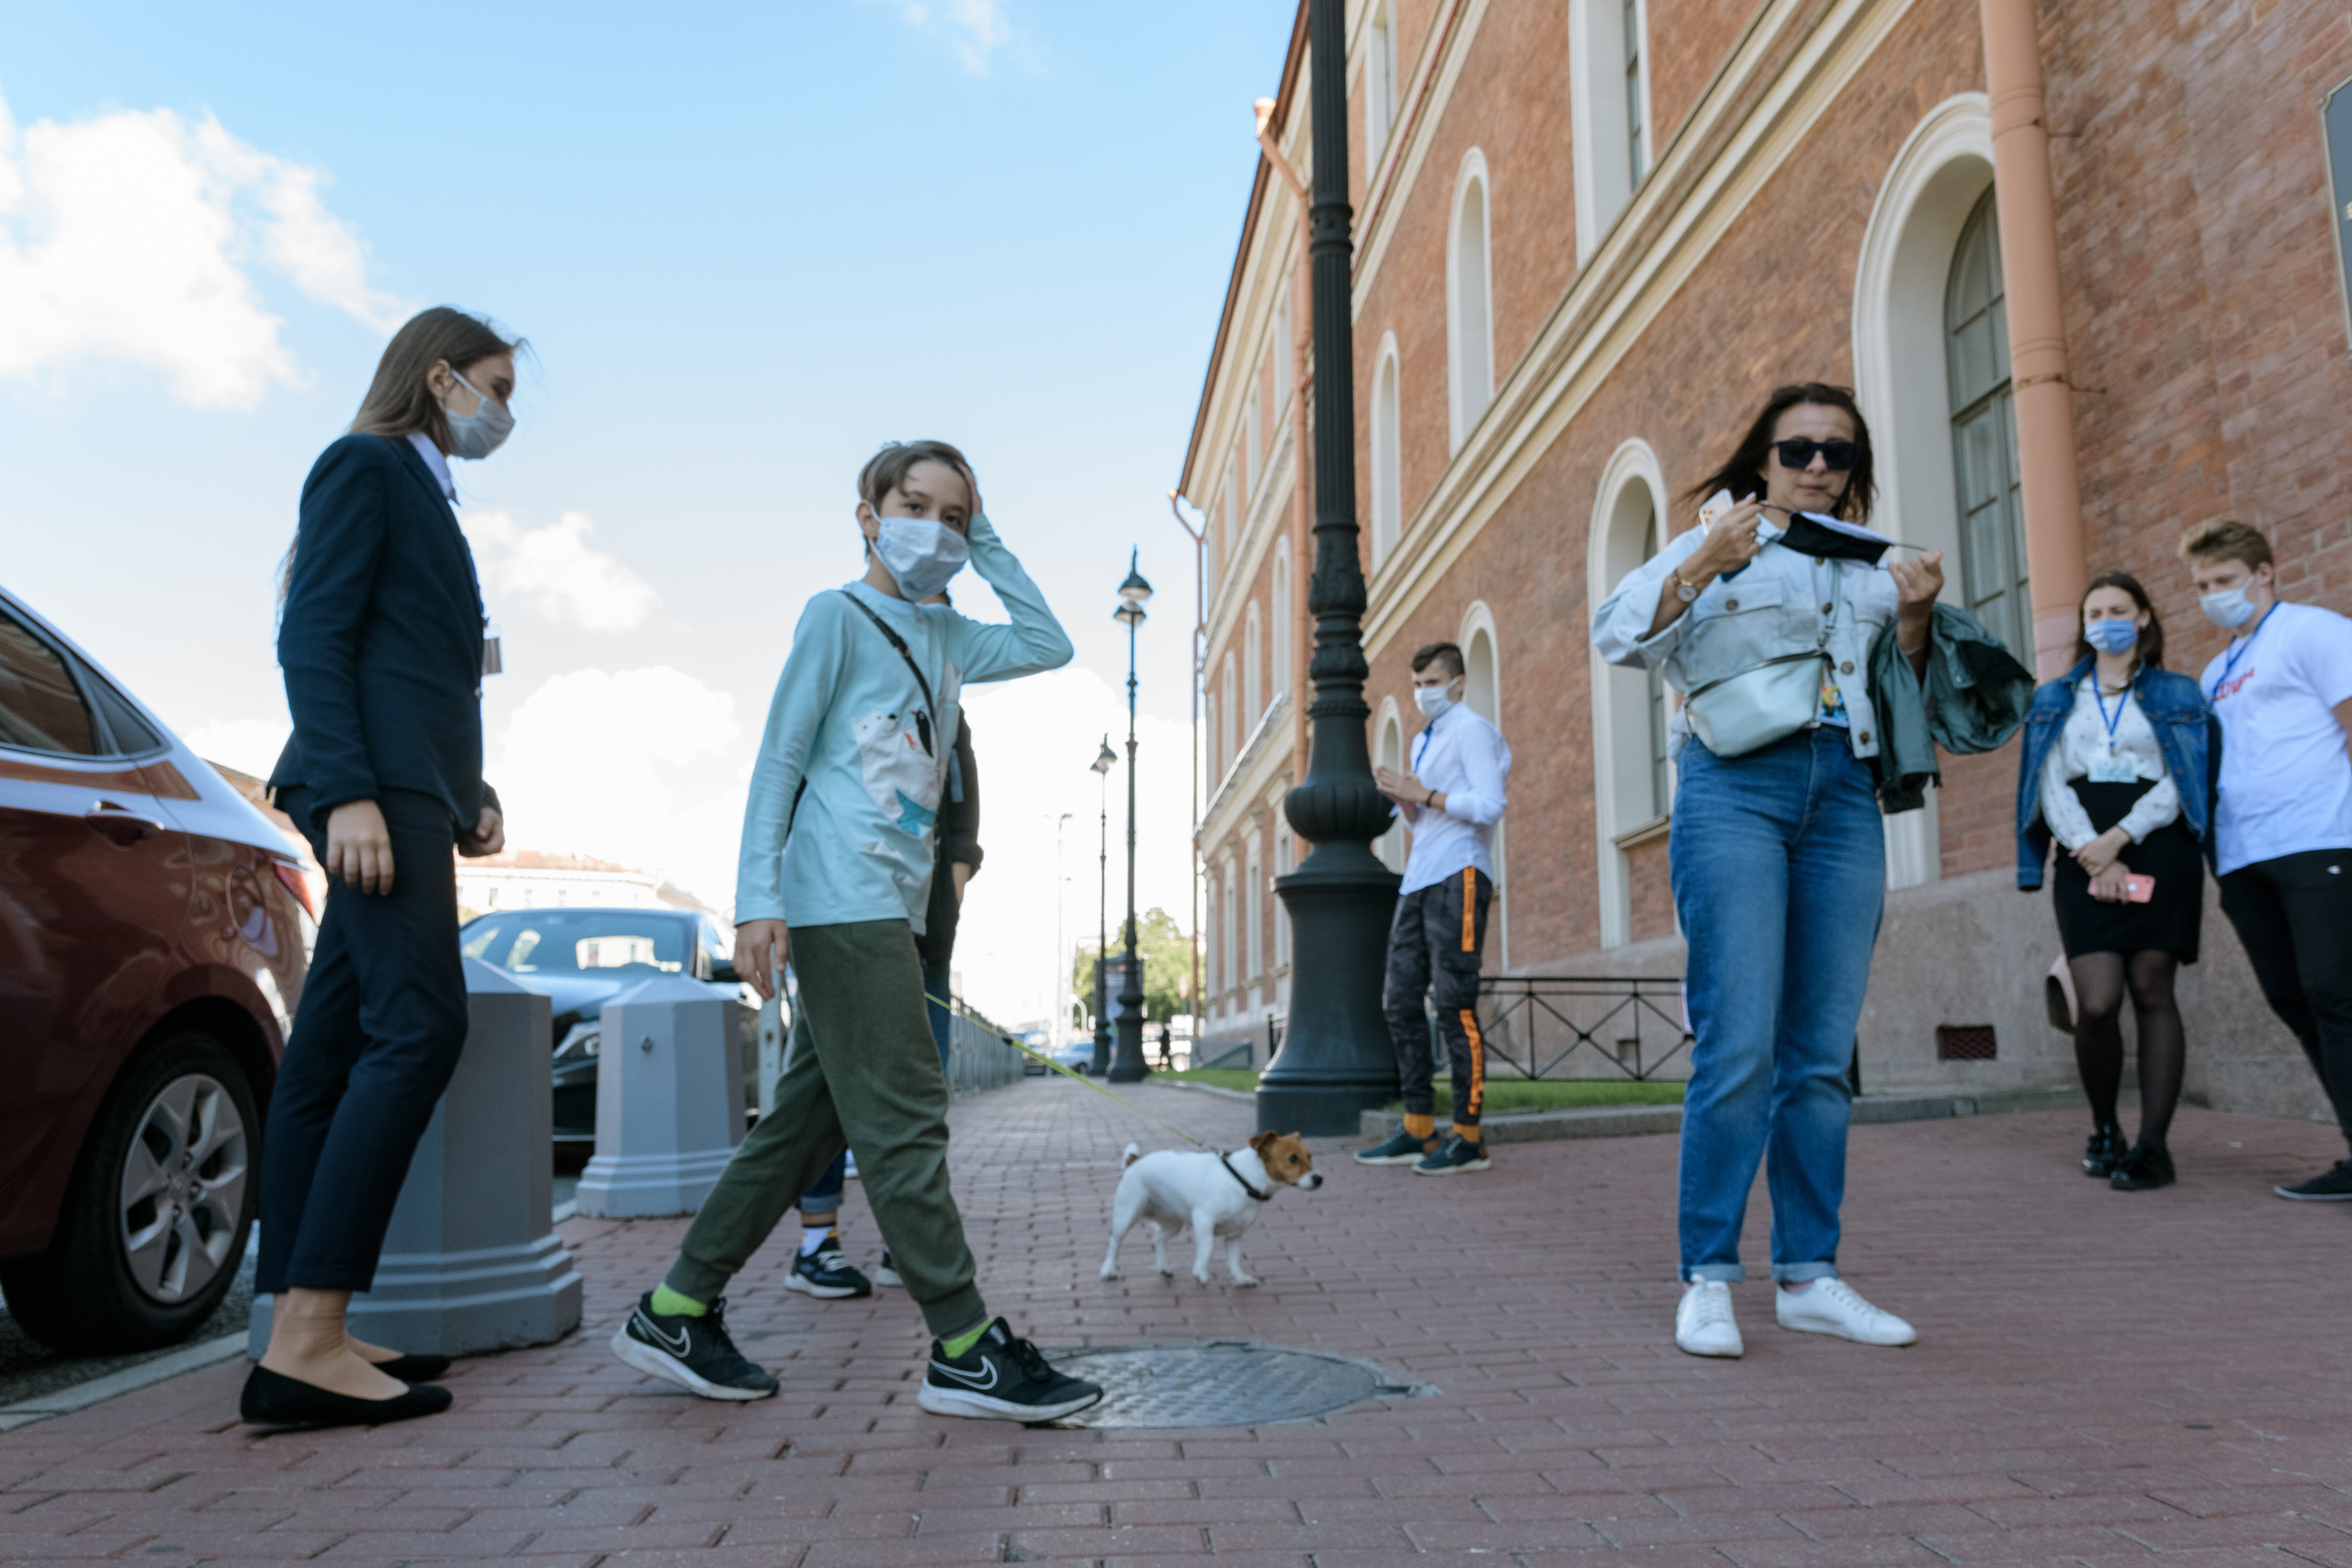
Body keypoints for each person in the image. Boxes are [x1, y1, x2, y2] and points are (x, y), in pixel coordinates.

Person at [608, 440, 1102, 1422]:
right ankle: (962, 1344)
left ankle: (675, 1307)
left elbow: (1051, 641)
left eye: (954, 516)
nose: (935, 528)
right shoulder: (835, 617)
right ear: (869, 514)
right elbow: (779, 760)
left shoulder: (951, 637)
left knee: (808, 1122)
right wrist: (757, 901)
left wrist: (988, 538)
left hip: (899, 903)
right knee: (908, 1111)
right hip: (839, 900)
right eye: (914, 505)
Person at [1592, 382, 1940, 1360]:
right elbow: (1617, 636)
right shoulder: (1712, 535)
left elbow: (1905, 698)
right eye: (1798, 451)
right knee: (1737, 1041)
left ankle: (1808, 1276)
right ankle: (1706, 1276)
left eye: (1837, 453)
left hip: (1841, 795)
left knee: (1821, 1053)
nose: (1818, 468)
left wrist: (1911, 623)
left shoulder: (1878, 565)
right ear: (1763, 459)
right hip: (1733, 786)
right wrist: (1706, 558)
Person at [243, 308, 523, 1427]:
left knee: (329, 1052)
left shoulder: (431, 497)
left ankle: (295, 1327)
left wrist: (472, 794)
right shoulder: (365, 464)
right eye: (497, 387)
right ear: (442, 374)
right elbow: (314, 635)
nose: (506, 413)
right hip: (370, 787)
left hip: (414, 786)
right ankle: (310, 1332)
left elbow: (424, 666)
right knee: (421, 1029)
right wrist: (355, 790)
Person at [2017, 574, 2213, 1191]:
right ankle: (2106, 1126)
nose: (2107, 620)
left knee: (2153, 986)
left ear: (2145, 617)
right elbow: (2044, 781)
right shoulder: (2054, 697)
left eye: (2119, 609)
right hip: (2081, 847)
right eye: (2095, 611)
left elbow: (2188, 777)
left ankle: (2154, 1146)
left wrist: (2120, 838)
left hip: (2158, 841)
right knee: (2097, 1000)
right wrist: (2090, 851)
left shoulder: (2180, 692)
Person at [2180, 519, 2352, 1200]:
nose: (2214, 594)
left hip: (2319, 839)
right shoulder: (2215, 671)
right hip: (2244, 856)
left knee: (2337, 993)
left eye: (2225, 580)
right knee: (2293, 997)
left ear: (2264, 572)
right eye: (2202, 586)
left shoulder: (2314, 630)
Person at [786, 703, 978, 1300]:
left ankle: (910, 1240)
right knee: (825, 1098)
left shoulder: (949, 717)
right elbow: (788, 802)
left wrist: (940, 912)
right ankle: (817, 1245)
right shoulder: (842, 695)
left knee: (922, 1092)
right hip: (838, 924)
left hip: (923, 941)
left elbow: (964, 827)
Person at [1354, 641, 1512, 1176]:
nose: (1424, 692)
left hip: (1462, 874)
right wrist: (1404, 798)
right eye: (1418, 682)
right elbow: (1425, 818)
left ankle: (1468, 1137)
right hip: (1419, 877)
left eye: (1433, 682)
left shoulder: (1473, 730)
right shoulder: (1425, 737)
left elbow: (1490, 805)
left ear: (1459, 683)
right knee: (1398, 1001)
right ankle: (1418, 1128)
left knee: (1454, 1003)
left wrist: (1424, 793)